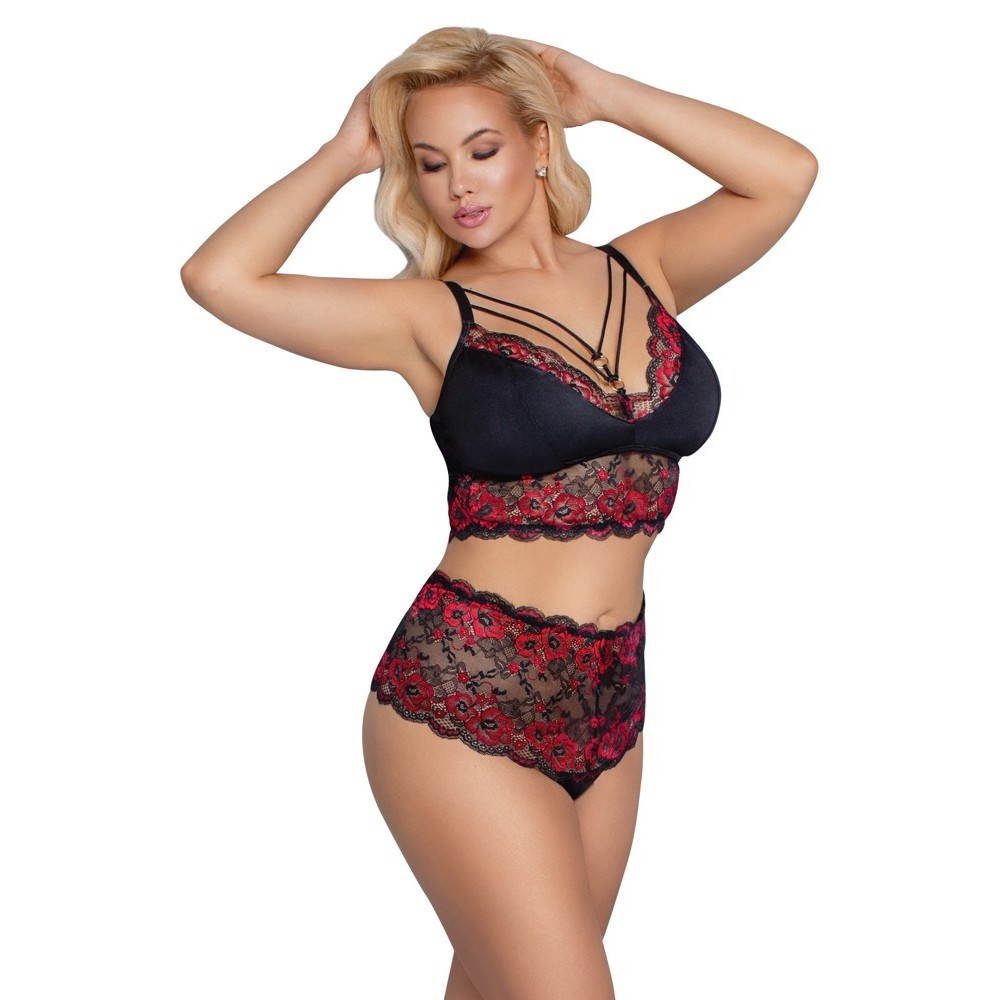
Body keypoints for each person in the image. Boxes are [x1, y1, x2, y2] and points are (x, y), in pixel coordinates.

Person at [181, 26, 816, 1000]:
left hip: (611, 692)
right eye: (429, 163)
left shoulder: (644, 270)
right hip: (464, 693)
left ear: (539, 142)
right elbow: (220, 278)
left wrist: (605, 92)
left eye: (481, 149)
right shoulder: (427, 316)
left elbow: (784, 174)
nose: (457, 185)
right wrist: (345, 153)